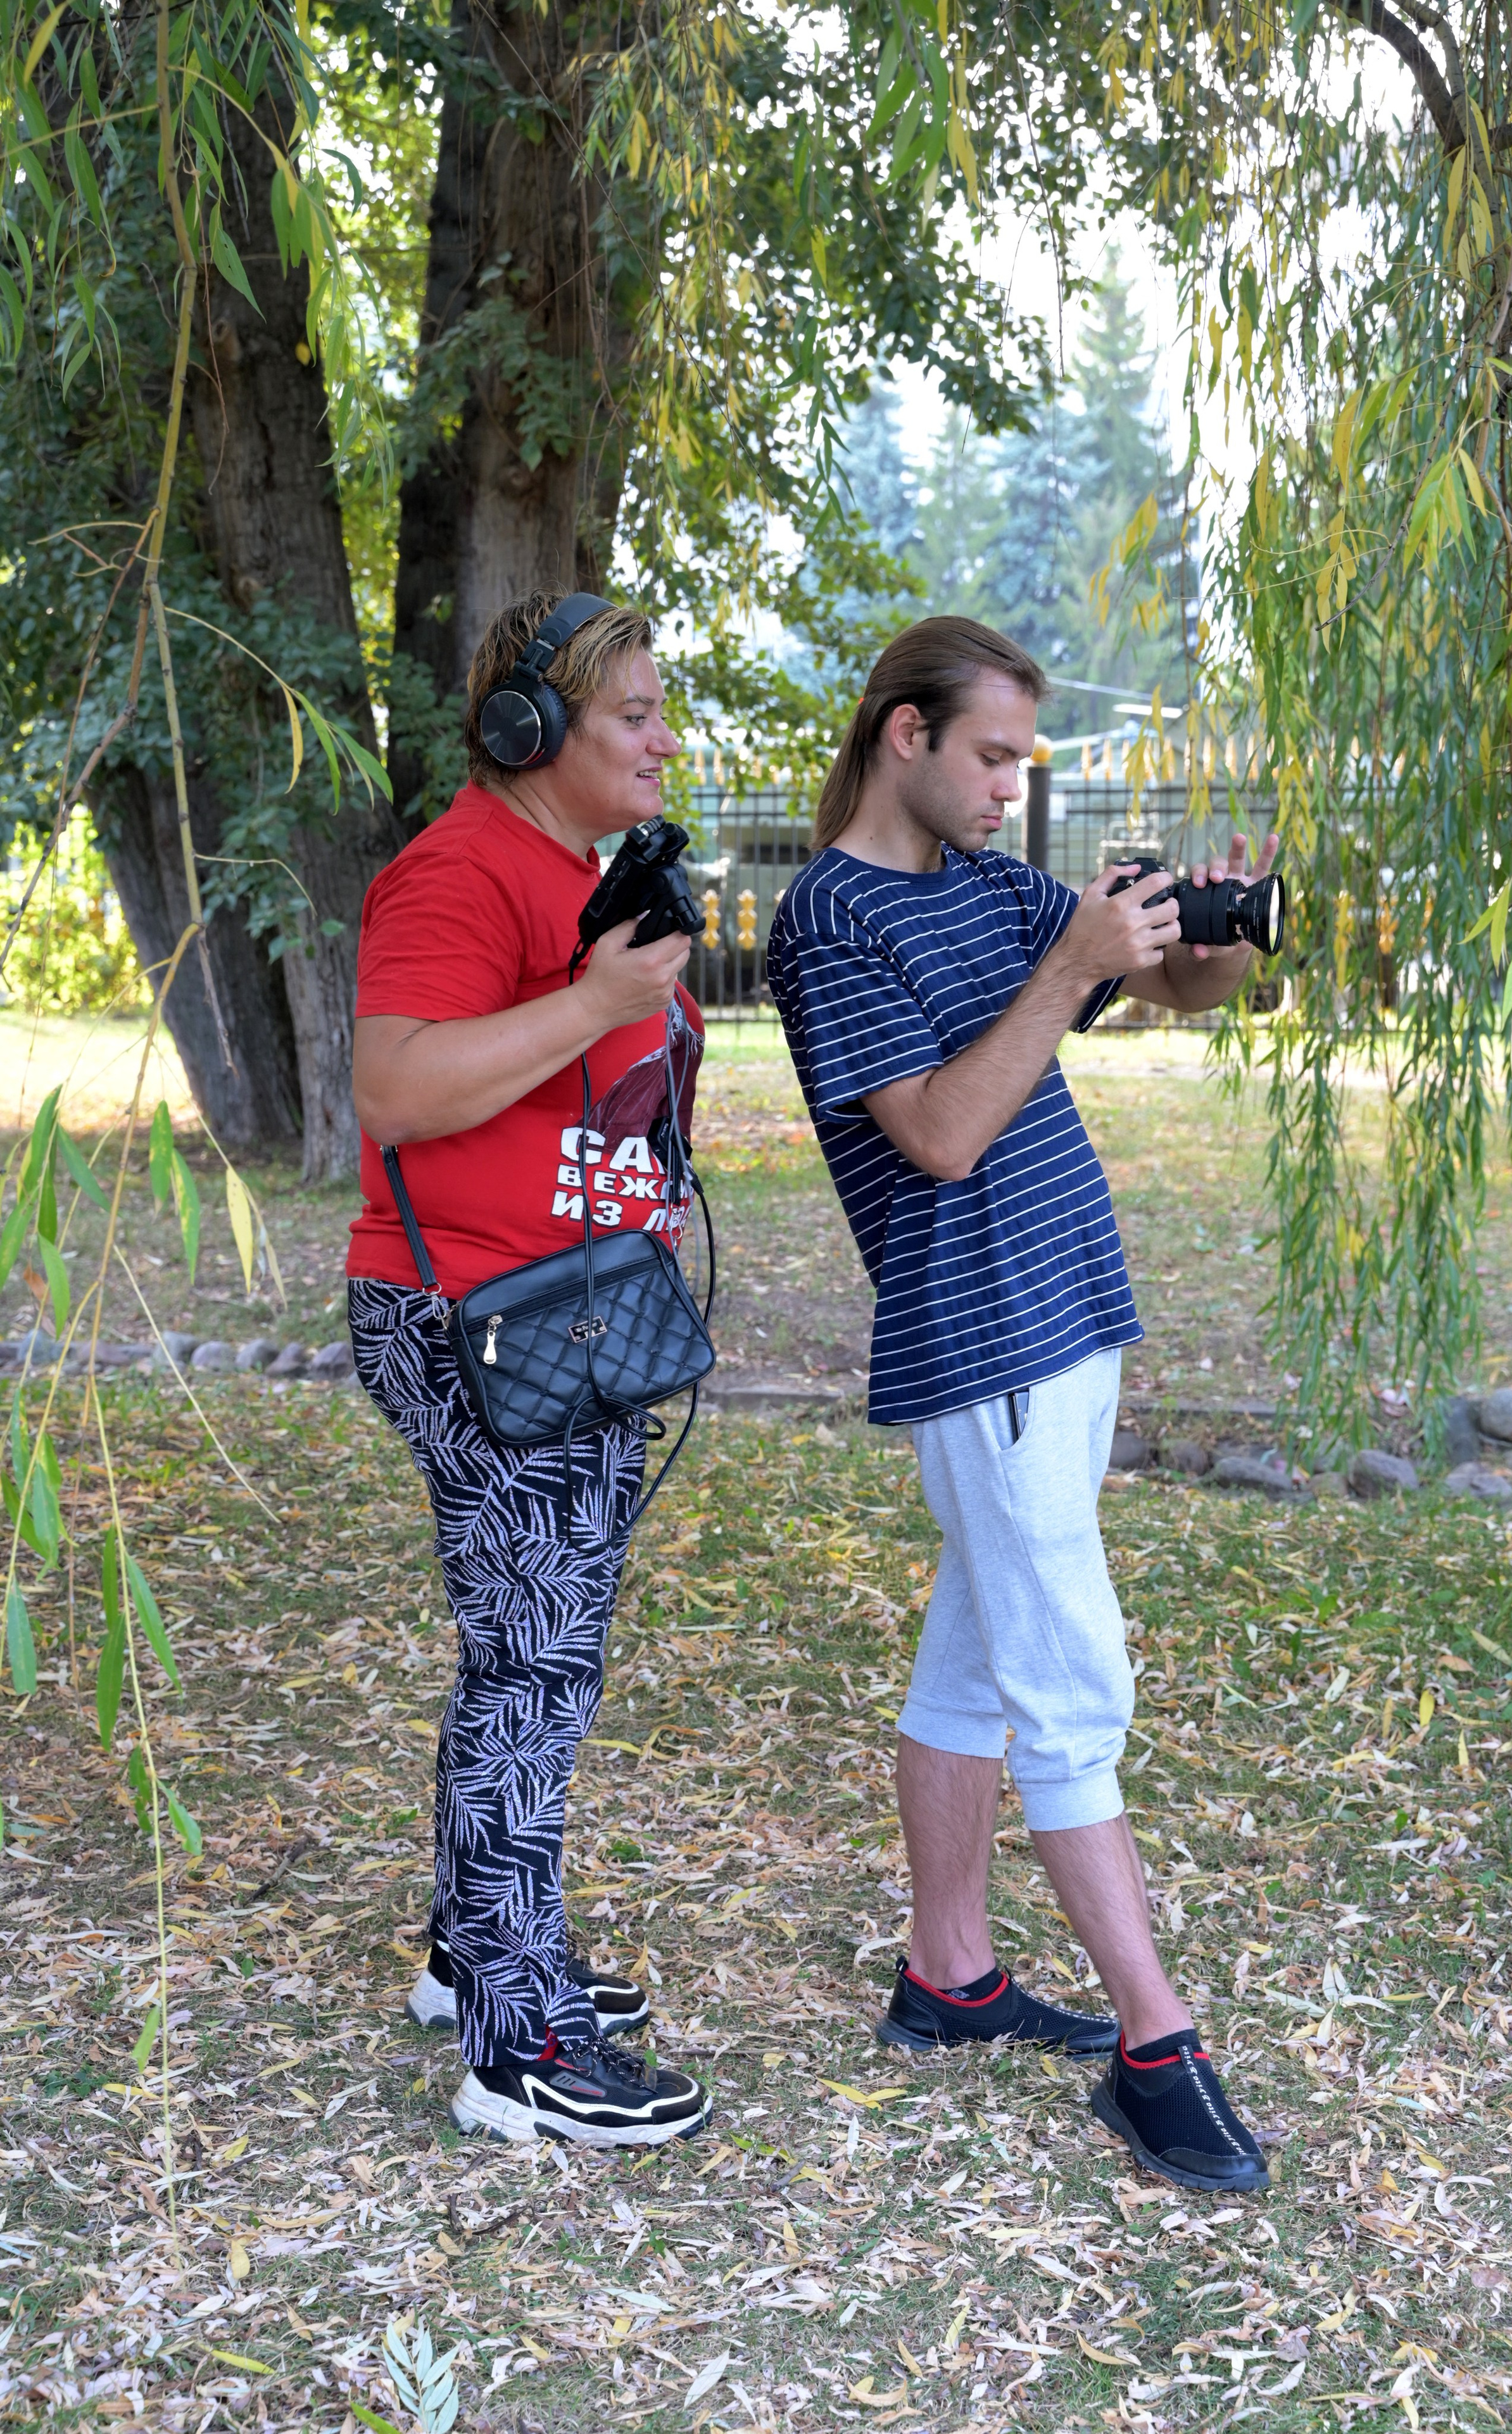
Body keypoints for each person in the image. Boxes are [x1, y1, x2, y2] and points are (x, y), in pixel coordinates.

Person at [766, 617, 1276, 2194]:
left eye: (1021, 763)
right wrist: (1066, 966)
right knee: (1065, 1665)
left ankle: (950, 1972)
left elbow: (1182, 998)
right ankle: (1153, 2039)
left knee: (981, 1645)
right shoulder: (826, 920)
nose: (1008, 789)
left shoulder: (992, 886)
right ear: (901, 736)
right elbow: (934, 1132)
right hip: (977, 1339)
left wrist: (1215, 935)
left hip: (1065, 1319)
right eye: (989, 756)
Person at [348, 591, 711, 2149]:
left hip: (568, 1311)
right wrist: (587, 999)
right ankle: (514, 2040)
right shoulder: (457, 870)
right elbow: (394, 1080)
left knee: (525, 1648)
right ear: (530, 731)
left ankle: (471, 1946)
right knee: (536, 1668)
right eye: (631, 711)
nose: (661, 735)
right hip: (481, 1324)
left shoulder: (571, 874)